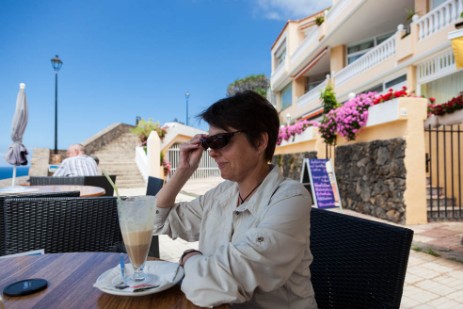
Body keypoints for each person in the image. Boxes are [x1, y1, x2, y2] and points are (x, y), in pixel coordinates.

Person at [154, 91, 316, 308]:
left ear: (259, 142)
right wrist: (183, 170)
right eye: (208, 143)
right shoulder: (222, 194)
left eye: (220, 140)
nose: (211, 152)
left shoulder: (290, 199)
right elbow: (158, 221)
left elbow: (216, 285)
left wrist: (188, 257)